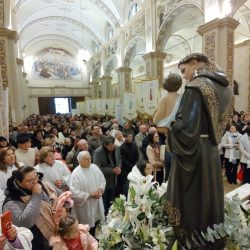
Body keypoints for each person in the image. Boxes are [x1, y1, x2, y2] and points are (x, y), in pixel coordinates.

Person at [166, 53, 234, 249]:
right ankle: (213, 235)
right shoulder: (226, 88)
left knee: (193, 197)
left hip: (194, 153)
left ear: (195, 63)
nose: (184, 77)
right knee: (210, 194)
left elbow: (186, 130)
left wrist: (172, 125)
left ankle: (193, 237)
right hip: (211, 150)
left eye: (184, 70)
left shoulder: (196, 87)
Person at [2, 166, 66, 249]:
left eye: (36, 177)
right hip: (34, 242)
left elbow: (49, 202)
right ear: (19, 182)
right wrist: (35, 195)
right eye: (30, 181)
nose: (35, 182)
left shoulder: (40, 184)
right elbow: (25, 222)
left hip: (52, 234)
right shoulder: (11, 202)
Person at [93, 136, 121, 214]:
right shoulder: (98, 152)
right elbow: (97, 168)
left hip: (115, 178)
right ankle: (104, 216)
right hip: (104, 180)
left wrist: (118, 167)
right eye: (110, 146)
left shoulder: (117, 148)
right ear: (105, 145)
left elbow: (119, 159)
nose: (112, 147)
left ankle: (112, 213)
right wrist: (112, 170)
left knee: (112, 199)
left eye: (113, 145)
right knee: (105, 201)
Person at [0, 147, 24, 211]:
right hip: (9, 198)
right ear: (3, 159)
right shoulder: (0, 172)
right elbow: (1, 191)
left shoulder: (21, 165)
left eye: (13, 153)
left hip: (24, 194)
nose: (12, 156)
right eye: (8, 155)